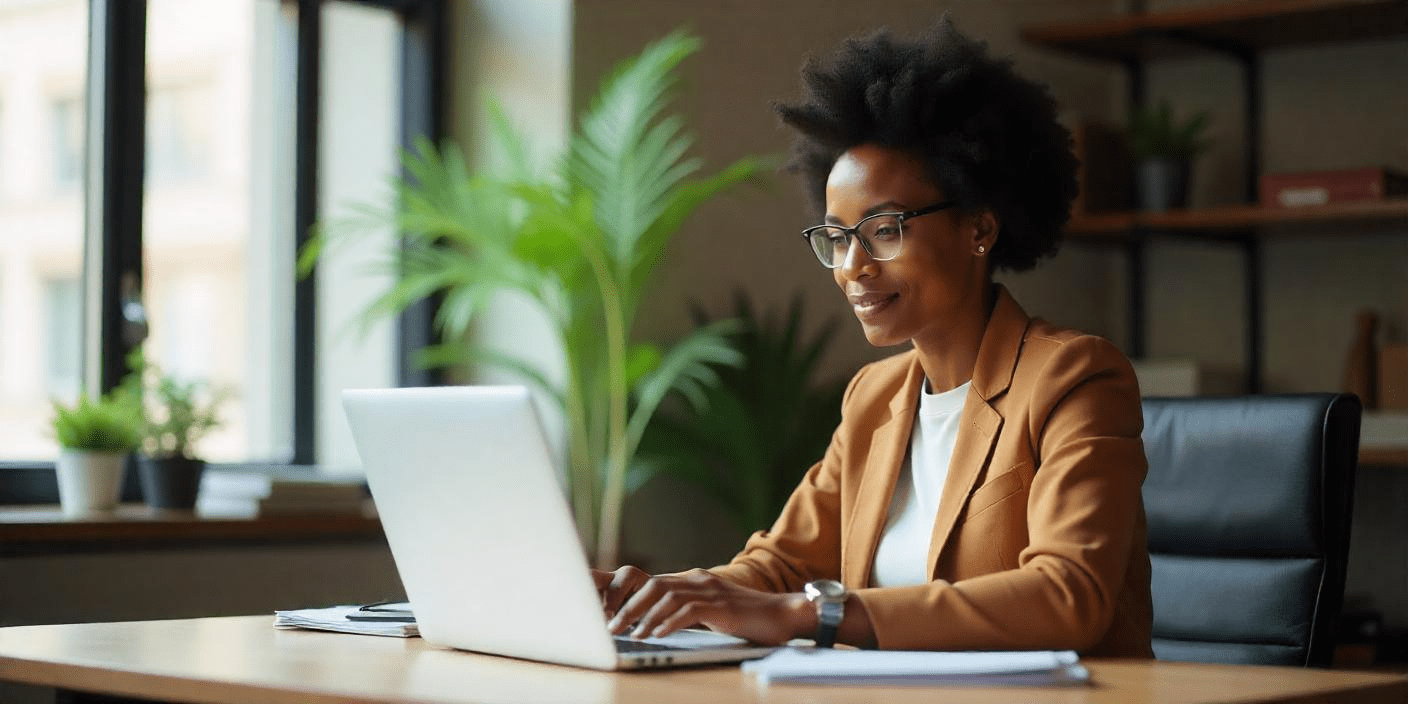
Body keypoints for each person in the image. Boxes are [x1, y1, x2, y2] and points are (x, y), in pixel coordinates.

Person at [594, 17, 1153, 657]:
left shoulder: (1075, 378)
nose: (853, 266)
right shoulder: (875, 396)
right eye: (835, 238)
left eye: (884, 229)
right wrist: (655, 595)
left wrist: (813, 616)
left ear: (979, 229)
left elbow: (1066, 596)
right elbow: (777, 568)